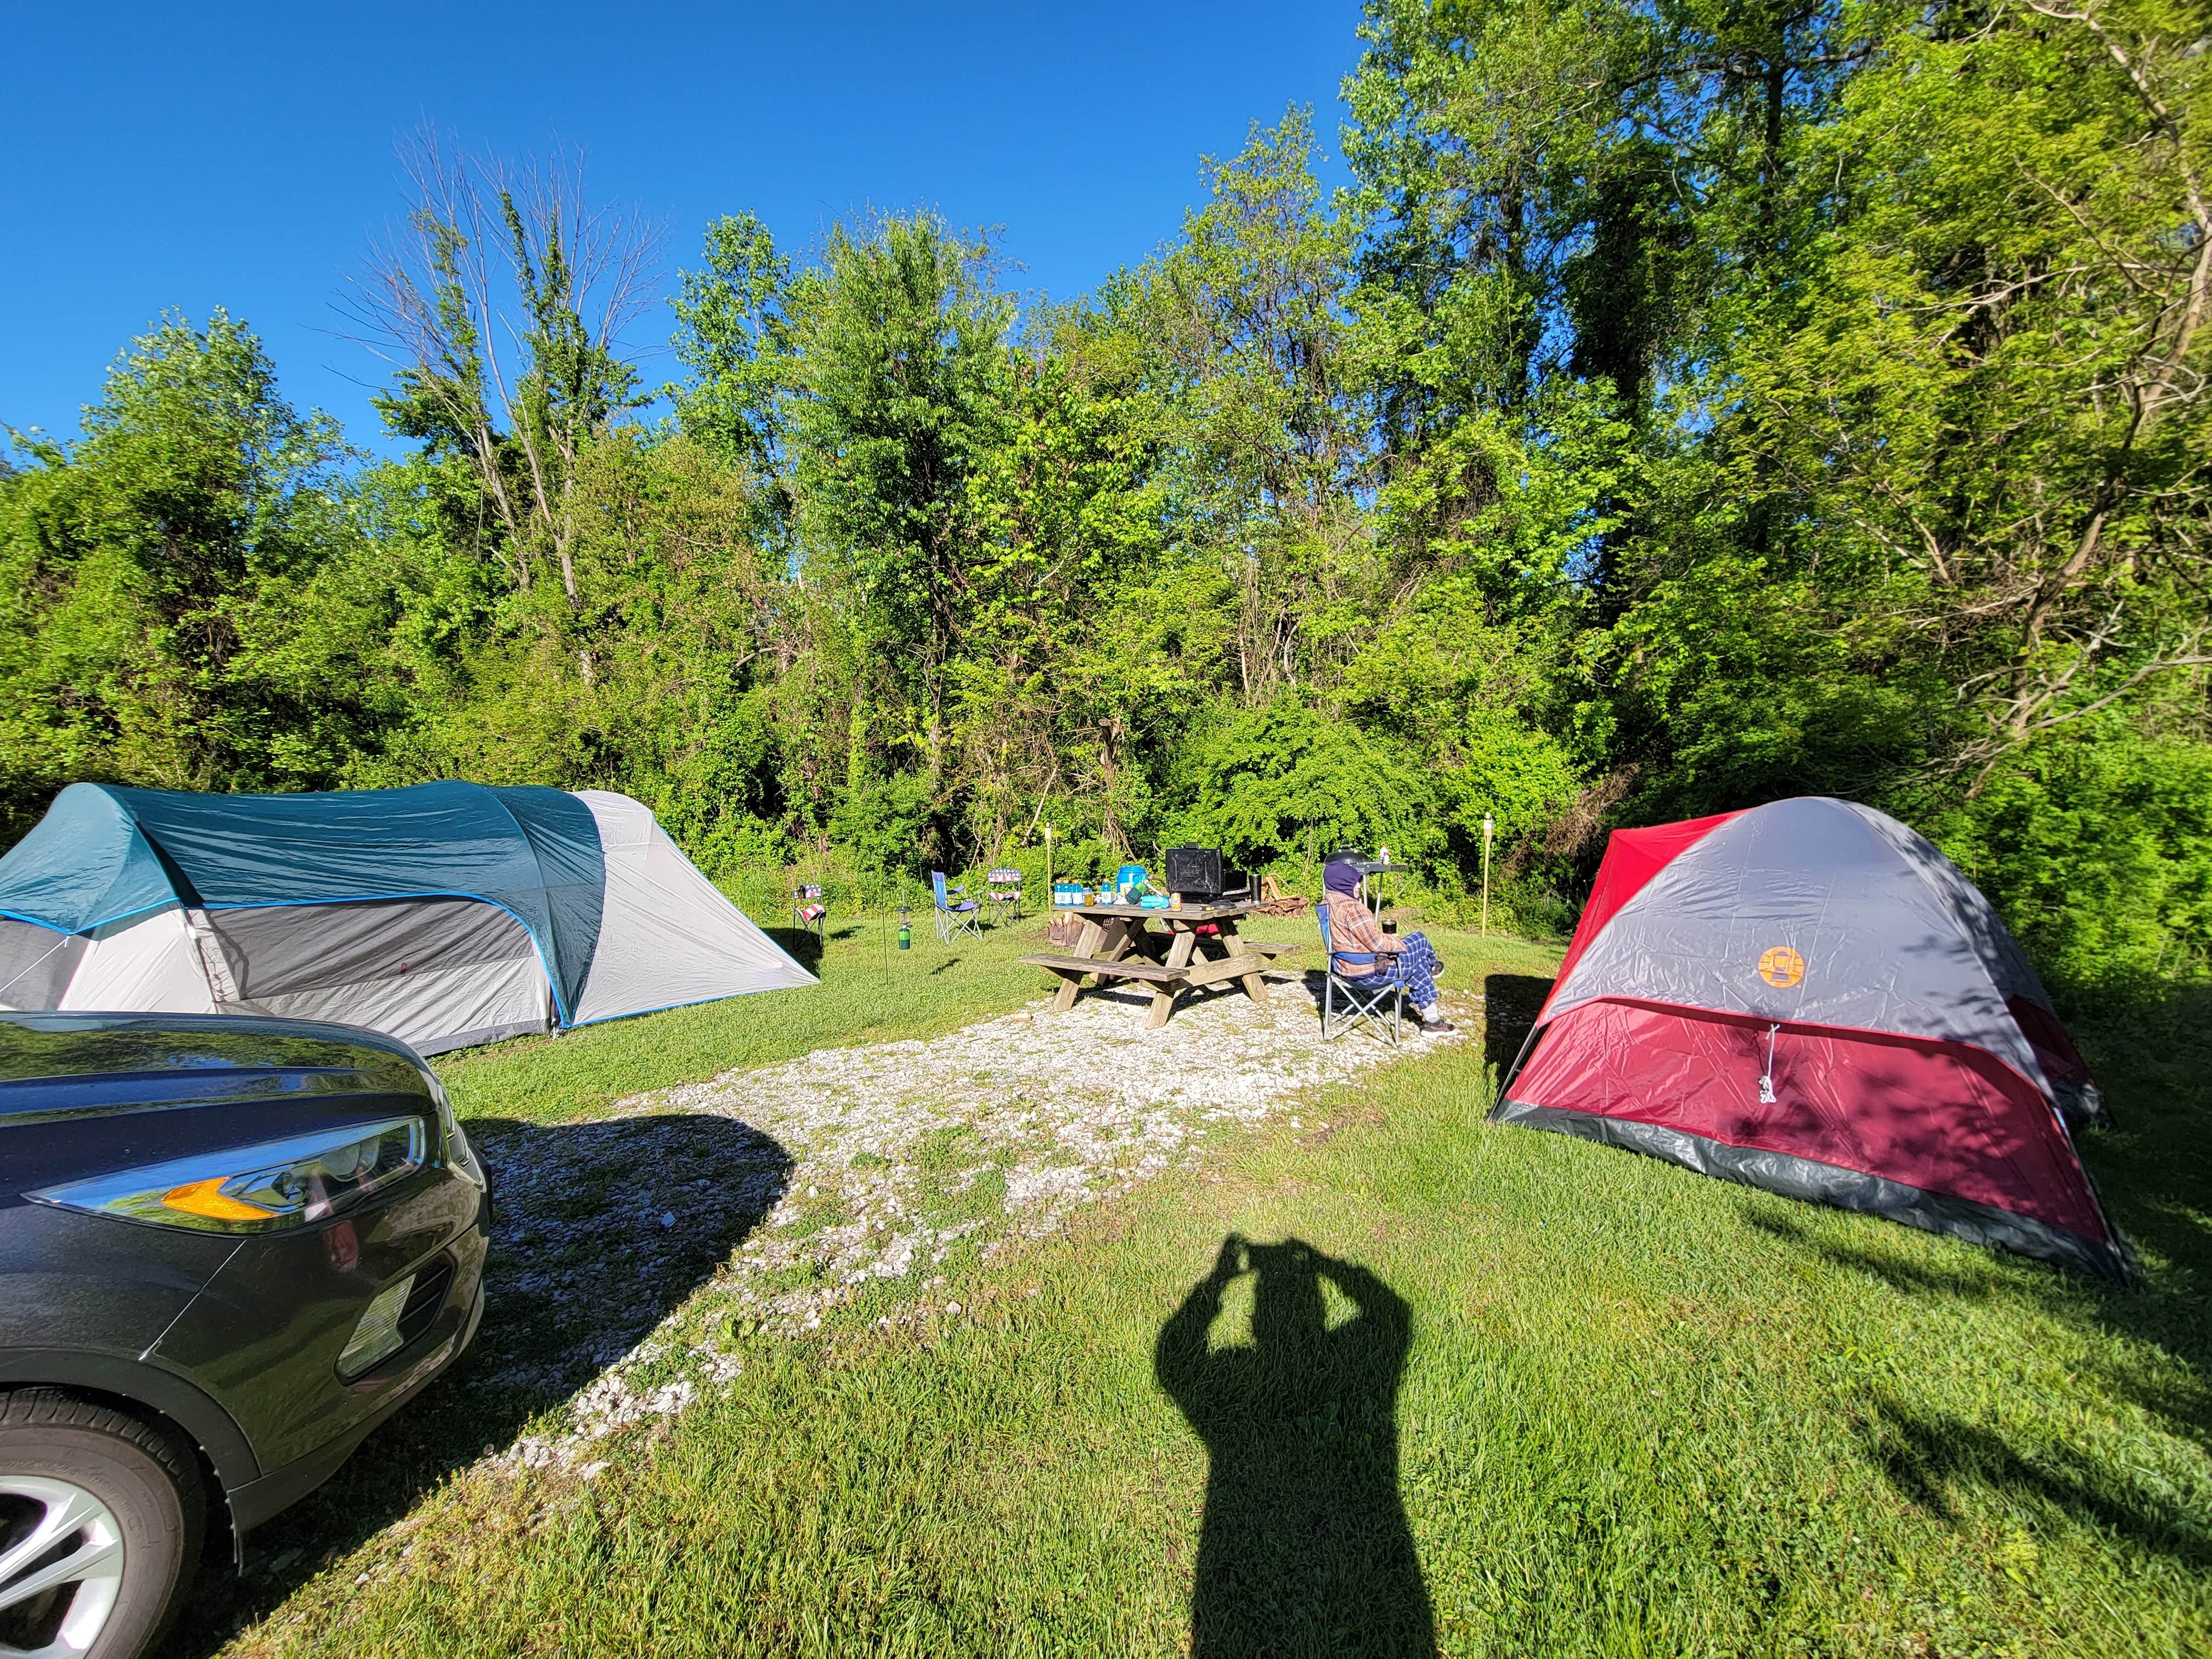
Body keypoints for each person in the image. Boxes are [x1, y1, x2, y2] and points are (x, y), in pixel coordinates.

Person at [1321, 859, 1454, 1034]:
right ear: (1345, 883)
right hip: (1368, 971)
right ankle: (1433, 968)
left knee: (1417, 963)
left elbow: (1358, 939)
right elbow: (1378, 944)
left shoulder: (1328, 904)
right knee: (1419, 941)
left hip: (1342, 967)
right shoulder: (1352, 908)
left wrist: (1386, 940)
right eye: (1355, 882)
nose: (1359, 886)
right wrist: (1393, 941)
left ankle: (1433, 1021)